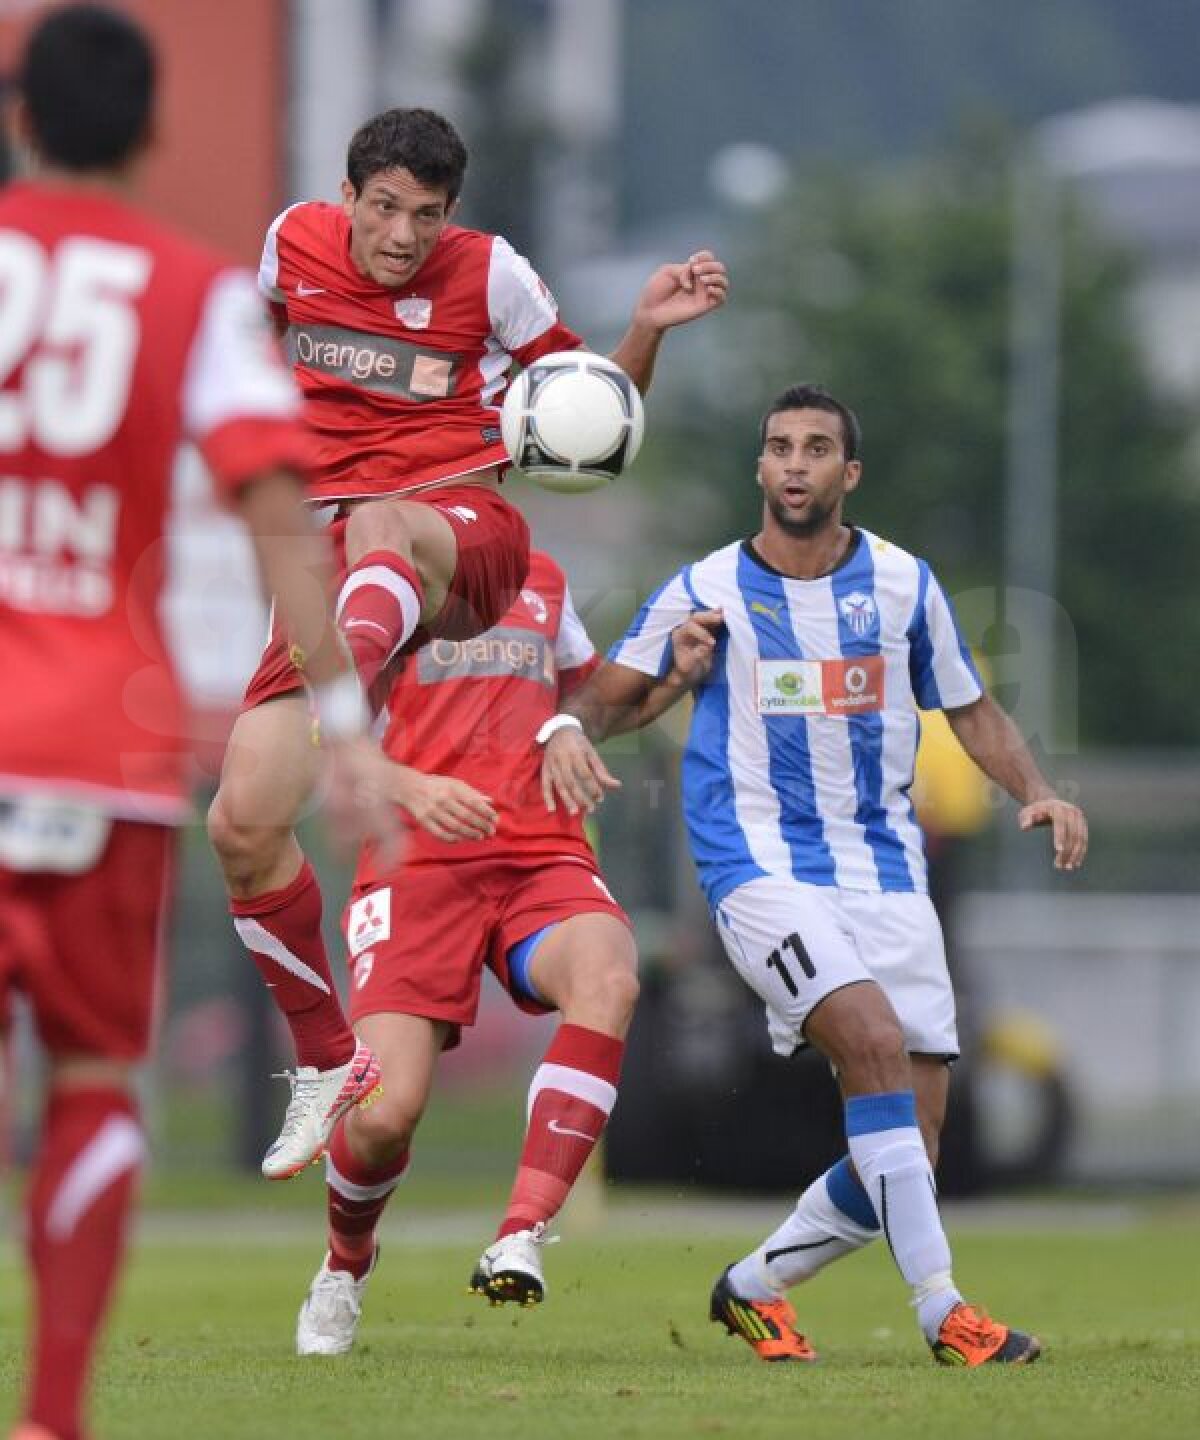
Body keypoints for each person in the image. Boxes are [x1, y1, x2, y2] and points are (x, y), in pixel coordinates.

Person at [0, 8, 396, 1438]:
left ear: (19, 115)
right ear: (155, 134)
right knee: (97, 1081)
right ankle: (51, 1417)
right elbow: (280, 513)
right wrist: (343, 721)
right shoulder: (190, 293)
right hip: (95, 760)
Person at [205, 105, 729, 1182]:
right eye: (386, 209)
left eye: (427, 216)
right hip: (337, 571)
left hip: (464, 545)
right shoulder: (287, 247)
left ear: (453, 216)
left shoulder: (492, 276)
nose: (404, 235)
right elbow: (253, 366)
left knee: (386, 522)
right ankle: (325, 1060)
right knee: (241, 825)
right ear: (346, 198)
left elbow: (591, 418)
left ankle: (351, 724)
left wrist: (646, 332)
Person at [539, 383, 1088, 1368]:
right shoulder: (705, 588)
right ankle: (945, 1312)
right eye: (780, 447)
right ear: (761, 469)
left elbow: (969, 710)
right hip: (758, 871)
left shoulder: (902, 585)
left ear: (849, 473)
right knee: (871, 1044)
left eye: (817, 447)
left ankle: (754, 1287)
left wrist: (1036, 791)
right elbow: (605, 697)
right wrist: (585, 721)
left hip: (885, 873)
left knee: (909, 1148)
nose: (795, 463)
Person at [292, 548, 676, 1355]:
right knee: (385, 1115)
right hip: (416, 862)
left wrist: (662, 686)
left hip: (540, 849)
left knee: (609, 978)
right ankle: (344, 1264)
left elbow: (586, 699)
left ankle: (519, 1234)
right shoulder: (381, 578)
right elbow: (320, 725)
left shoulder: (544, 573)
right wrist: (412, 787)